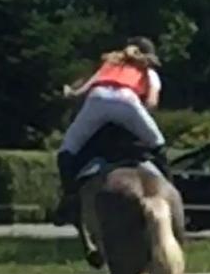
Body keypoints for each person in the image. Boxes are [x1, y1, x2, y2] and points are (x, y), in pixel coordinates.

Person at [53, 40, 168, 227]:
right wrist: (141, 118)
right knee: (159, 144)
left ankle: (69, 199)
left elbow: (82, 92)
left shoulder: (110, 64)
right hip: (127, 101)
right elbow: (152, 103)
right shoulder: (149, 72)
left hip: (97, 99)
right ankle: (171, 192)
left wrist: (69, 93)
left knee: (67, 150)